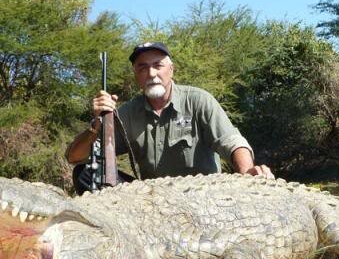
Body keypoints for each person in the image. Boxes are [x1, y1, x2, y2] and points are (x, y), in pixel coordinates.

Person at [66, 42, 273, 184]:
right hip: (153, 201)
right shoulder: (126, 112)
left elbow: (232, 141)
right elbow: (75, 157)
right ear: (136, 75)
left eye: (158, 65)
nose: (151, 74)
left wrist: (248, 173)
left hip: (203, 196)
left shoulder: (198, 100)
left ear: (171, 69)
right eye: (142, 68)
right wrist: (97, 124)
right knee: (86, 173)